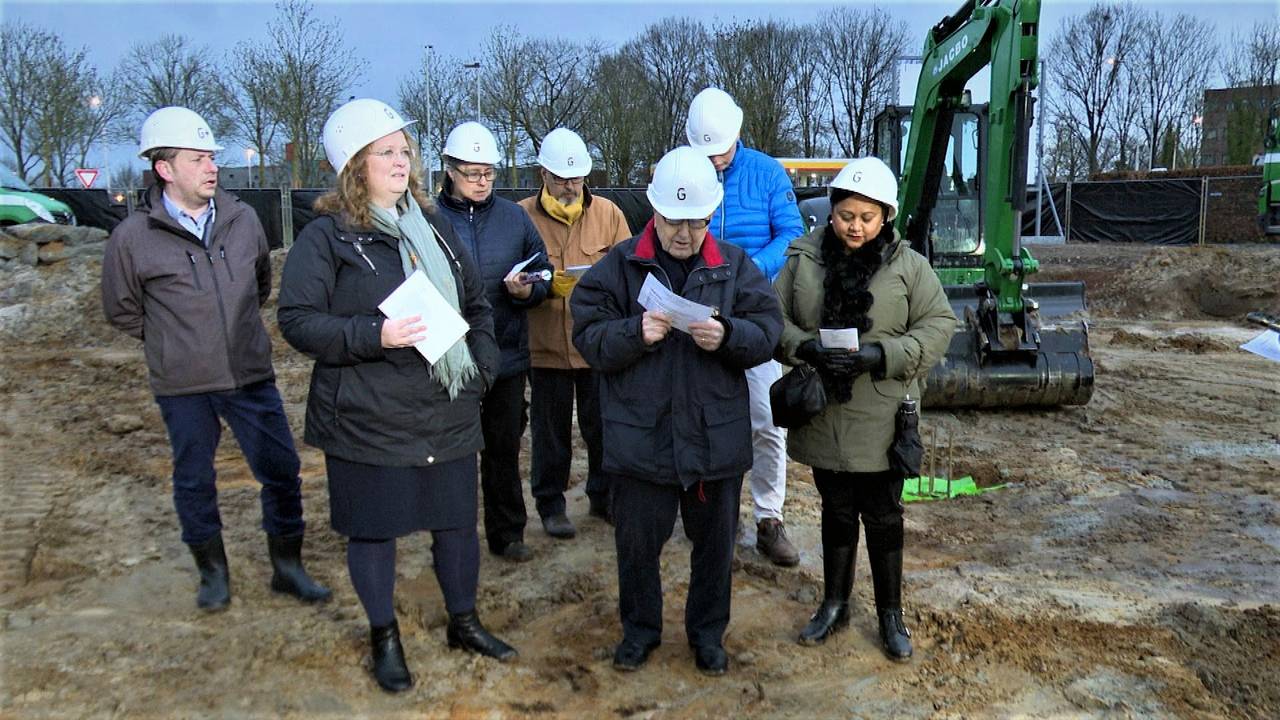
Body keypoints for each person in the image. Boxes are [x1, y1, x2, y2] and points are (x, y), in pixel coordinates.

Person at [277, 99, 517, 693]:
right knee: (375, 530)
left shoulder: (431, 225)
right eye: (386, 151)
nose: (401, 159)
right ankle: (384, 635)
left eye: (404, 149)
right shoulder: (327, 237)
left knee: (457, 524)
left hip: (445, 405)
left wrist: (483, 367)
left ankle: (464, 621)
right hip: (367, 414)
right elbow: (298, 320)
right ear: (354, 166)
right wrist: (372, 335)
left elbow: (476, 303)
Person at [102, 106, 330, 614]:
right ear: (165, 168)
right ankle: (213, 574)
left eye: (212, 157)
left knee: (281, 468)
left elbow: (260, 285)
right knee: (194, 478)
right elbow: (121, 309)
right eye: (198, 158)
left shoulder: (242, 219)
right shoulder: (132, 239)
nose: (212, 168)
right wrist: (173, 340)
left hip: (250, 373)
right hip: (183, 385)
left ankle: (288, 568)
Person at [571, 146, 782, 676]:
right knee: (637, 548)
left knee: (714, 550)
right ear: (653, 211)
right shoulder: (618, 266)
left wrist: (729, 334)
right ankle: (640, 631)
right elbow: (588, 336)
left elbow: (769, 331)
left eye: (696, 222)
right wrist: (633, 332)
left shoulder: (734, 266)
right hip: (641, 439)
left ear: (711, 215)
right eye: (672, 222)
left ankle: (707, 635)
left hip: (714, 441)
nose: (684, 234)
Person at [772, 157, 955, 661]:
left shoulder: (909, 266)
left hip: (883, 412)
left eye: (867, 217)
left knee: (882, 513)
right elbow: (773, 317)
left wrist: (883, 355)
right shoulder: (804, 260)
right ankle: (834, 604)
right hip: (825, 410)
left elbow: (940, 325)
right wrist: (804, 347)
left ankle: (891, 614)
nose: (855, 226)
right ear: (830, 212)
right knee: (835, 507)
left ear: (886, 218)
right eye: (846, 215)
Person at [687, 86, 805, 567]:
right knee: (699, 413)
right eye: (705, 154)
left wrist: (750, 270)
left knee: (765, 417)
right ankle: (712, 516)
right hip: (699, 309)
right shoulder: (685, 170)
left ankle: (768, 518)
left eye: (720, 153)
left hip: (754, 311)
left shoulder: (766, 173)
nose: (714, 163)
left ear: (737, 137)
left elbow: (792, 232)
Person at [435, 121, 552, 559]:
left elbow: (544, 271)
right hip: (449, 360)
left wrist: (530, 290)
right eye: (472, 173)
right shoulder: (428, 220)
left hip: (505, 355)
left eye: (488, 173)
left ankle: (508, 533)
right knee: (454, 455)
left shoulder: (513, 218)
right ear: (449, 169)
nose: (482, 182)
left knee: (504, 448)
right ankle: (454, 537)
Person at [517, 128, 631, 531]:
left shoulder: (609, 214)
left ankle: (604, 497)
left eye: (577, 177)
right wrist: (533, 287)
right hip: (544, 344)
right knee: (550, 433)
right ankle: (550, 505)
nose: (570, 185)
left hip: (595, 346)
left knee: (602, 427)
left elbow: (628, 273)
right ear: (542, 174)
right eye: (561, 178)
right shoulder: (521, 216)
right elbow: (509, 278)